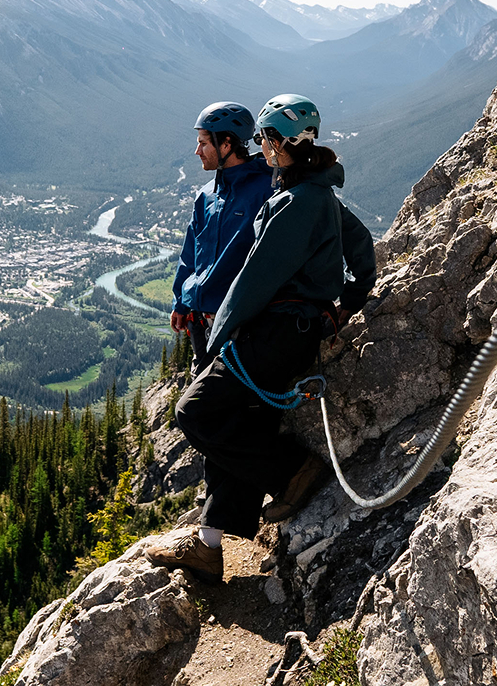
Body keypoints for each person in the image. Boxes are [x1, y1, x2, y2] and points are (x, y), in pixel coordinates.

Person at [146, 93, 376, 584]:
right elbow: (357, 242)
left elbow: (253, 278)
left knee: (196, 412)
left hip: (261, 327)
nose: (259, 148)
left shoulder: (287, 197)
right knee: (224, 420)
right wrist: (347, 301)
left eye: (205, 142)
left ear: (267, 143)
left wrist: (222, 332)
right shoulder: (297, 191)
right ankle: (213, 539)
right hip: (262, 326)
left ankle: (290, 472)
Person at [170, 101, 274, 372]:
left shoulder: (266, 191)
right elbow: (191, 253)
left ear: (226, 144)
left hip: (235, 323)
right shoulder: (207, 195)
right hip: (200, 322)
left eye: (203, 143)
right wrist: (181, 304)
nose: (197, 151)